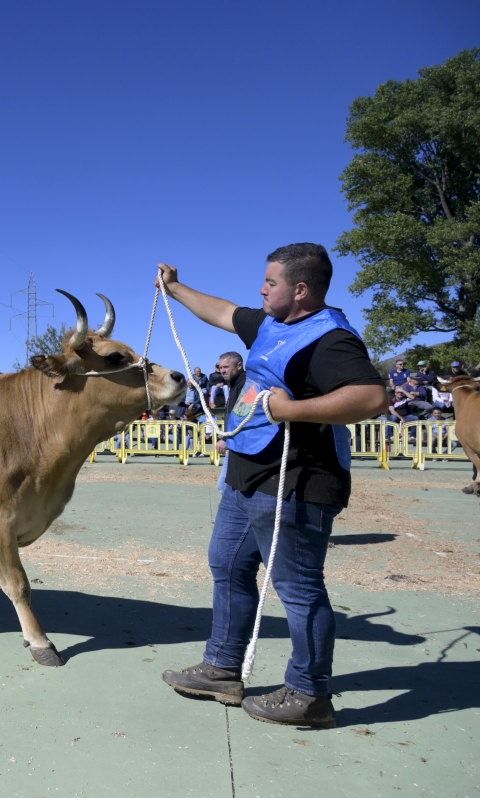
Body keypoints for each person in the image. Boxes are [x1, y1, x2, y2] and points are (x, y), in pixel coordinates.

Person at [156, 243, 387, 728]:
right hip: (248, 475)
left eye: (271, 282)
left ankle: (310, 694)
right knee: (228, 564)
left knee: (298, 588)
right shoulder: (268, 324)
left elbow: (370, 396)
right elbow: (221, 311)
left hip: (298, 481)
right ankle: (222, 668)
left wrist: (293, 410)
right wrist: (175, 289)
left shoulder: (331, 339)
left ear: (300, 290)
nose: (261, 289)